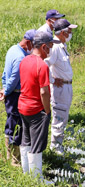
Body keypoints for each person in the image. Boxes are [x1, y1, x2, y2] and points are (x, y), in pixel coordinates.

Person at [18, 32, 60, 184]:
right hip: (36, 109)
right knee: (37, 144)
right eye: (50, 46)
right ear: (43, 46)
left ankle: (26, 174)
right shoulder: (42, 65)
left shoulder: (24, 60)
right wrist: (47, 111)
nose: (51, 49)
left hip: (22, 106)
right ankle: (37, 180)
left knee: (26, 140)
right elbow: (44, 91)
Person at [0, 29, 36, 166]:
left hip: (10, 93)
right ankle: (14, 160)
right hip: (15, 94)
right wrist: (8, 90)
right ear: (28, 42)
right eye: (34, 45)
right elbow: (15, 77)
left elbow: (5, 73)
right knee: (16, 125)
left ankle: (8, 155)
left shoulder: (12, 49)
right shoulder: (21, 57)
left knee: (10, 122)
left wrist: (4, 88)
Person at [44, 19, 78, 155]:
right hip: (60, 88)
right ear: (63, 32)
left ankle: (58, 145)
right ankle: (56, 149)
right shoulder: (55, 47)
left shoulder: (62, 46)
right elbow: (45, 64)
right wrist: (52, 79)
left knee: (63, 116)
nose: (71, 33)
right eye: (69, 31)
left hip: (66, 87)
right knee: (59, 116)